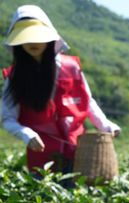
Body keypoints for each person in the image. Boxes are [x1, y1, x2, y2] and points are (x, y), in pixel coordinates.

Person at [1, 5, 120, 178]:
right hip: (42, 158)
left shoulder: (70, 67)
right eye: (26, 38)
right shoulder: (14, 77)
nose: (33, 43)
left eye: (37, 36)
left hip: (79, 153)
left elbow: (87, 102)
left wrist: (105, 125)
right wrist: (27, 134)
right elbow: (7, 118)